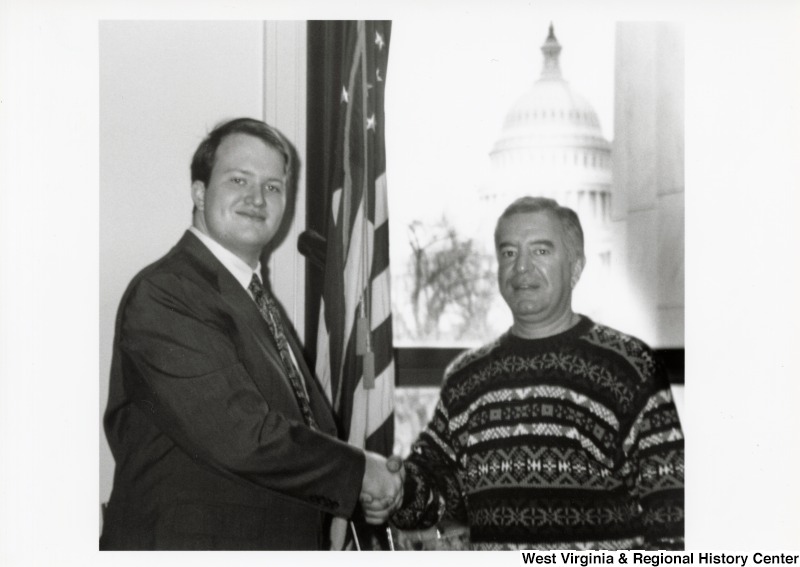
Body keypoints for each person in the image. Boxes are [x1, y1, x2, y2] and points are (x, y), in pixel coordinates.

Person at [100, 117, 402, 550]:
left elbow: (306, 429)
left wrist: (359, 488)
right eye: (239, 179)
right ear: (200, 192)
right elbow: (241, 436)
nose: (257, 198)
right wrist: (358, 472)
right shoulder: (168, 292)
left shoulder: (255, 301)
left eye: (273, 186)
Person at [378, 196, 685, 550]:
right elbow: (437, 488)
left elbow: (673, 518)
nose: (521, 267)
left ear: (576, 267)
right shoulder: (466, 378)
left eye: (540, 251)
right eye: (509, 253)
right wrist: (396, 489)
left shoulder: (631, 368)